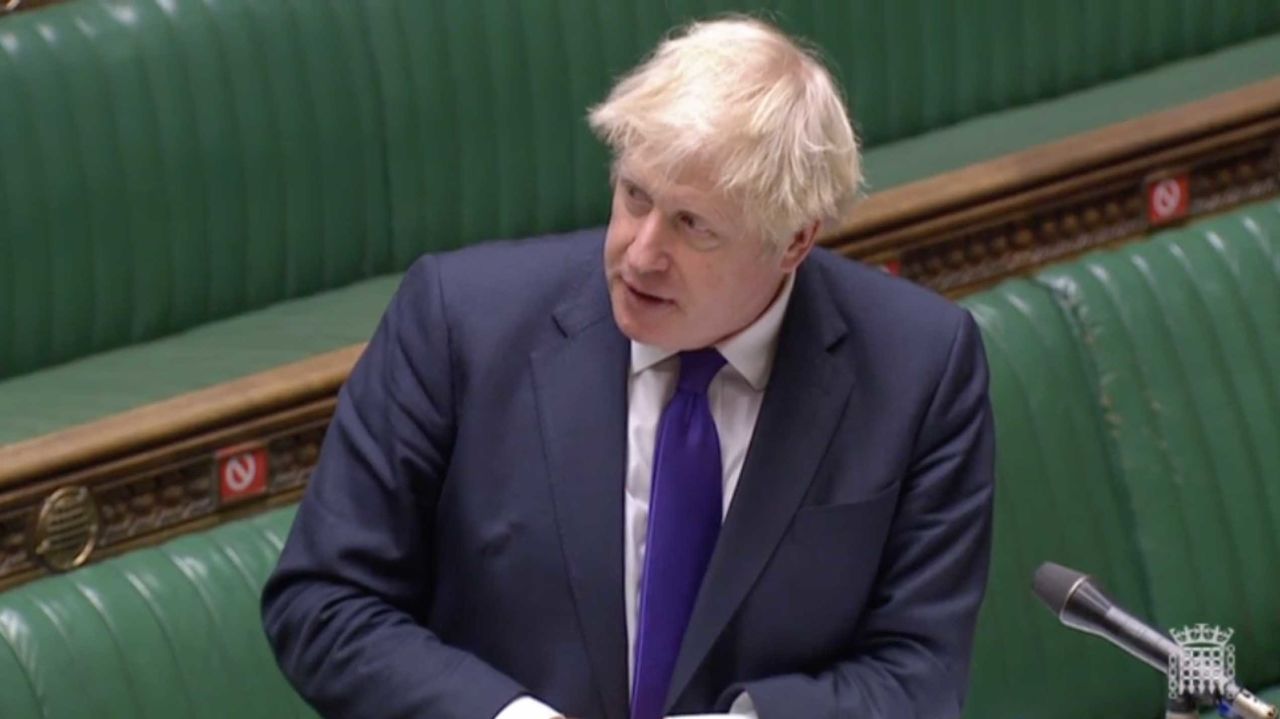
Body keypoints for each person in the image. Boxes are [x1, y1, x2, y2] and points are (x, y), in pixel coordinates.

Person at [262, 15, 995, 719]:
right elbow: (325, 601)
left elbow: (919, 672)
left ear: (795, 240)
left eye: (692, 225)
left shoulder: (919, 368)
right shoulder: (460, 322)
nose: (640, 253)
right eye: (634, 196)